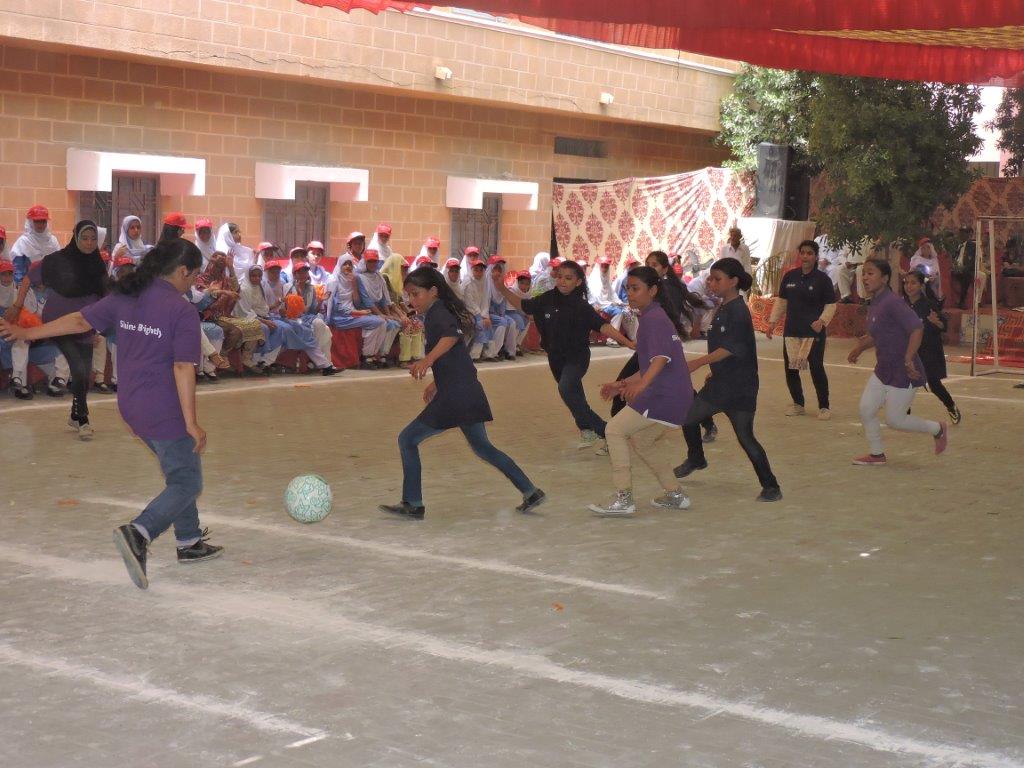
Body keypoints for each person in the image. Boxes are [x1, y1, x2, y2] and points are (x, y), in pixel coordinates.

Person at [1, 238, 224, 589]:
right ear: (182, 271)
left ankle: (189, 541)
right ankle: (139, 532)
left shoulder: (127, 295)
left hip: (131, 405)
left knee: (179, 466)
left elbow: (77, 321)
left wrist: (28, 332)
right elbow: (183, 367)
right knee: (187, 481)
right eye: (193, 275)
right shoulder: (181, 310)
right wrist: (192, 423)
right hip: (163, 407)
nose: (192, 282)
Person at [379, 268, 546, 520]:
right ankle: (530, 491)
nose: (412, 301)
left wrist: (426, 361)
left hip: (456, 395)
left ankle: (413, 503)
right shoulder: (437, 312)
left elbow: (449, 338)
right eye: (409, 296)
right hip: (465, 389)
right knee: (483, 447)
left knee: (407, 439)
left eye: (416, 294)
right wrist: (436, 382)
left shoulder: (438, 313)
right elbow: (456, 351)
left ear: (433, 292)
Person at [491, 260, 633, 449]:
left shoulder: (582, 306)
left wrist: (627, 342)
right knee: (574, 394)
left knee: (566, 388)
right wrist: (502, 288)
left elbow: (604, 326)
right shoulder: (547, 298)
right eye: (559, 277)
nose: (563, 281)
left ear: (578, 282)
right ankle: (586, 429)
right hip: (555, 358)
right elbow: (524, 306)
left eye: (568, 278)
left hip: (577, 357)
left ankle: (606, 430)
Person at [674, 258, 782, 502]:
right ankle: (770, 486)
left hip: (735, 387)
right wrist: (715, 368)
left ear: (733, 282)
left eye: (717, 278)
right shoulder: (725, 306)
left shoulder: (738, 311)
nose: (711, 282)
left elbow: (731, 348)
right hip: (727, 381)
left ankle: (698, 459)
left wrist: (699, 362)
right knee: (694, 418)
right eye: (710, 278)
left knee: (736, 433)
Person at [590, 266, 694, 517]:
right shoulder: (651, 317)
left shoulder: (653, 319)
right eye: (627, 289)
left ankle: (623, 498)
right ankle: (675, 494)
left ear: (653, 290)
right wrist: (622, 384)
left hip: (665, 395)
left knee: (613, 430)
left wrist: (641, 386)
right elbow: (651, 364)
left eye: (635, 289)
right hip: (677, 395)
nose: (630, 294)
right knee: (645, 442)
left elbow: (660, 360)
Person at [847, 259, 949, 465]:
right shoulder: (875, 302)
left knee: (895, 420)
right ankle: (877, 455)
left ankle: (938, 429)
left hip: (904, 371)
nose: (865, 278)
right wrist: (859, 347)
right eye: (863, 273)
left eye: (870, 273)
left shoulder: (892, 302)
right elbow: (878, 334)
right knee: (866, 409)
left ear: (884, 279)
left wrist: (909, 358)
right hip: (883, 368)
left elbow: (916, 329)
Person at [38, 221, 107, 439]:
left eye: (93, 239)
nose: (89, 243)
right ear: (75, 237)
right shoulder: (58, 260)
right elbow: (31, 275)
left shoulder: (98, 265)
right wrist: (19, 303)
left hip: (84, 323)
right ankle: (84, 418)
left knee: (84, 373)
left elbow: (105, 296)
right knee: (78, 368)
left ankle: (74, 414)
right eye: (84, 238)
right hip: (59, 322)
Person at [766, 240, 837, 420]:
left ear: (815, 256)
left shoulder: (823, 280)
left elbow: (831, 305)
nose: (805, 256)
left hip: (814, 333)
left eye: (809, 253)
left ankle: (824, 407)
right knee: (791, 369)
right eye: (803, 253)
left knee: (816, 368)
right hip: (792, 331)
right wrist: (772, 322)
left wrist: (822, 321)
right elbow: (782, 302)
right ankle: (798, 404)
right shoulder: (789, 277)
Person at [0, 259, 69, 399]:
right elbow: (23, 320)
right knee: (21, 340)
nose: (7, 278)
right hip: (15, 339)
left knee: (64, 345)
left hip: (41, 338)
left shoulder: (56, 293)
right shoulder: (22, 291)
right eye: (3, 274)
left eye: (9, 274)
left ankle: (57, 382)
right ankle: (20, 382)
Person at [903, 269, 961, 424]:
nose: (909, 286)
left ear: (921, 285)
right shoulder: (903, 305)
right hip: (911, 351)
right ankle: (904, 414)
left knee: (934, 384)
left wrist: (937, 323)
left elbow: (943, 325)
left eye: (913, 283)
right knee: (906, 382)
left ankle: (951, 406)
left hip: (929, 350)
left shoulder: (929, 305)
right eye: (906, 283)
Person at [194, 252, 265, 374]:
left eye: (221, 267)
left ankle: (246, 359)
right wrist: (223, 292)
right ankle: (221, 357)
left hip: (224, 316)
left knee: (254, 324)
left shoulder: (225, 280)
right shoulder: (202, 278)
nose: (218, 269)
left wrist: (231, 267)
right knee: (235, 330)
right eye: (217, 266)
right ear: (211, 264)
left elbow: (237, 290)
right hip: (209, 316)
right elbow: (204, 295)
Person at [327, 254, 389, 368]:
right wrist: (358, 313)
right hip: (340, 318)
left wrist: (354, 285)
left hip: (352, 314)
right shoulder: (334, 281)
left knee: (383, 322)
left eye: (350, 264)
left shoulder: (354, 279)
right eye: (345, 264)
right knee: (377, 322)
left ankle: (371, 356)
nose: (348, 266)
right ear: (339, 265)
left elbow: (356, 303)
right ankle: (366, 357)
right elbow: (336, 307)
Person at [286, 262, 337, 374]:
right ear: (295, 274)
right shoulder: (289, 287)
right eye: (300, 272)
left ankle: (325, 364)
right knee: (323, 331)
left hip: (308, 317)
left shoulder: (311, 289)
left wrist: (320, 301)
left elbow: (313, 310)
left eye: (305, 271)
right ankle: (325, 365)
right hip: (294, 318)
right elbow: (286, 309)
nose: (303, 274)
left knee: (322, 326)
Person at [355, 249, 404, 367]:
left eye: (375, 261)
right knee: (382, 323)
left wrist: (389, 315)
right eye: (370, 261)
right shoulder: (359, 277)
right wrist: (381, 315)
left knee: (394, 324)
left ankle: (382, 354)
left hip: (377, 311)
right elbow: (366, 300)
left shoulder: (379, 277)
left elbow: (383, 300)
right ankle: (368, 356)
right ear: (365, 262)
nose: (373, 264)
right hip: (365, 311)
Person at [462, 256, 505, 361]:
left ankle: (489, 354)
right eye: (476, 269)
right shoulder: (468, 282)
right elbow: (469, 303)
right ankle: (474, 355)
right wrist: (480, 316)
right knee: (481, 324)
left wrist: (485, 316)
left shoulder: (484, 281)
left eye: (481, 270)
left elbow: (486, 300)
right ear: (471, 270)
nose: (479, 272)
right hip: (468, 312)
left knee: (488, 324)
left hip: (481, 313)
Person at [10, 205, 61, 285]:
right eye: (37, 221)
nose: (41, 224)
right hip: (29, 288)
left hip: (50, 287)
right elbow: (18, 269)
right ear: (30, 222)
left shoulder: (53, 241)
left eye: (43, 221)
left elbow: (58, 265)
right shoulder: (23, 242)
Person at [484, 255, 520, 360]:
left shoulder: (501, 285)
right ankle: (492, 353)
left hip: (498, 314)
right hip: (487, 314)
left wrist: (501, 314)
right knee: (503, 322)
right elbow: (485, 304)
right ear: (490, 270)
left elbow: (503, 304)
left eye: (500, 270)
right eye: (495, 269)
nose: (498, 272)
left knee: (512, 323)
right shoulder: (486, 283)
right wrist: (487, 316)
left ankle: (509, 351)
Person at [909, 238, 944, 302]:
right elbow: (913, 272)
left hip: (931, 280)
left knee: (935, 280)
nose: (926, 250)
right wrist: (924, 277)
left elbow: (936, 272)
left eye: (928, 248)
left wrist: (932, 277)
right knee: (923, 284)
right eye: (923, 248)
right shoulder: (917, 259)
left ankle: (934, 301)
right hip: (920, 280)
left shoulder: (934, 260)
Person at [952, 225, 976, 310]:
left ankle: (962, 301)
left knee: (966, 276)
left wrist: (963, 268)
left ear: (968, 235)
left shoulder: (972, 246)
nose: (962, 235)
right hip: (954, 267)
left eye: (964, 233)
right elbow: (951, 257)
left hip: (965, 269)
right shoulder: (955, 244)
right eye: (961, 233)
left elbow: (972, 261)